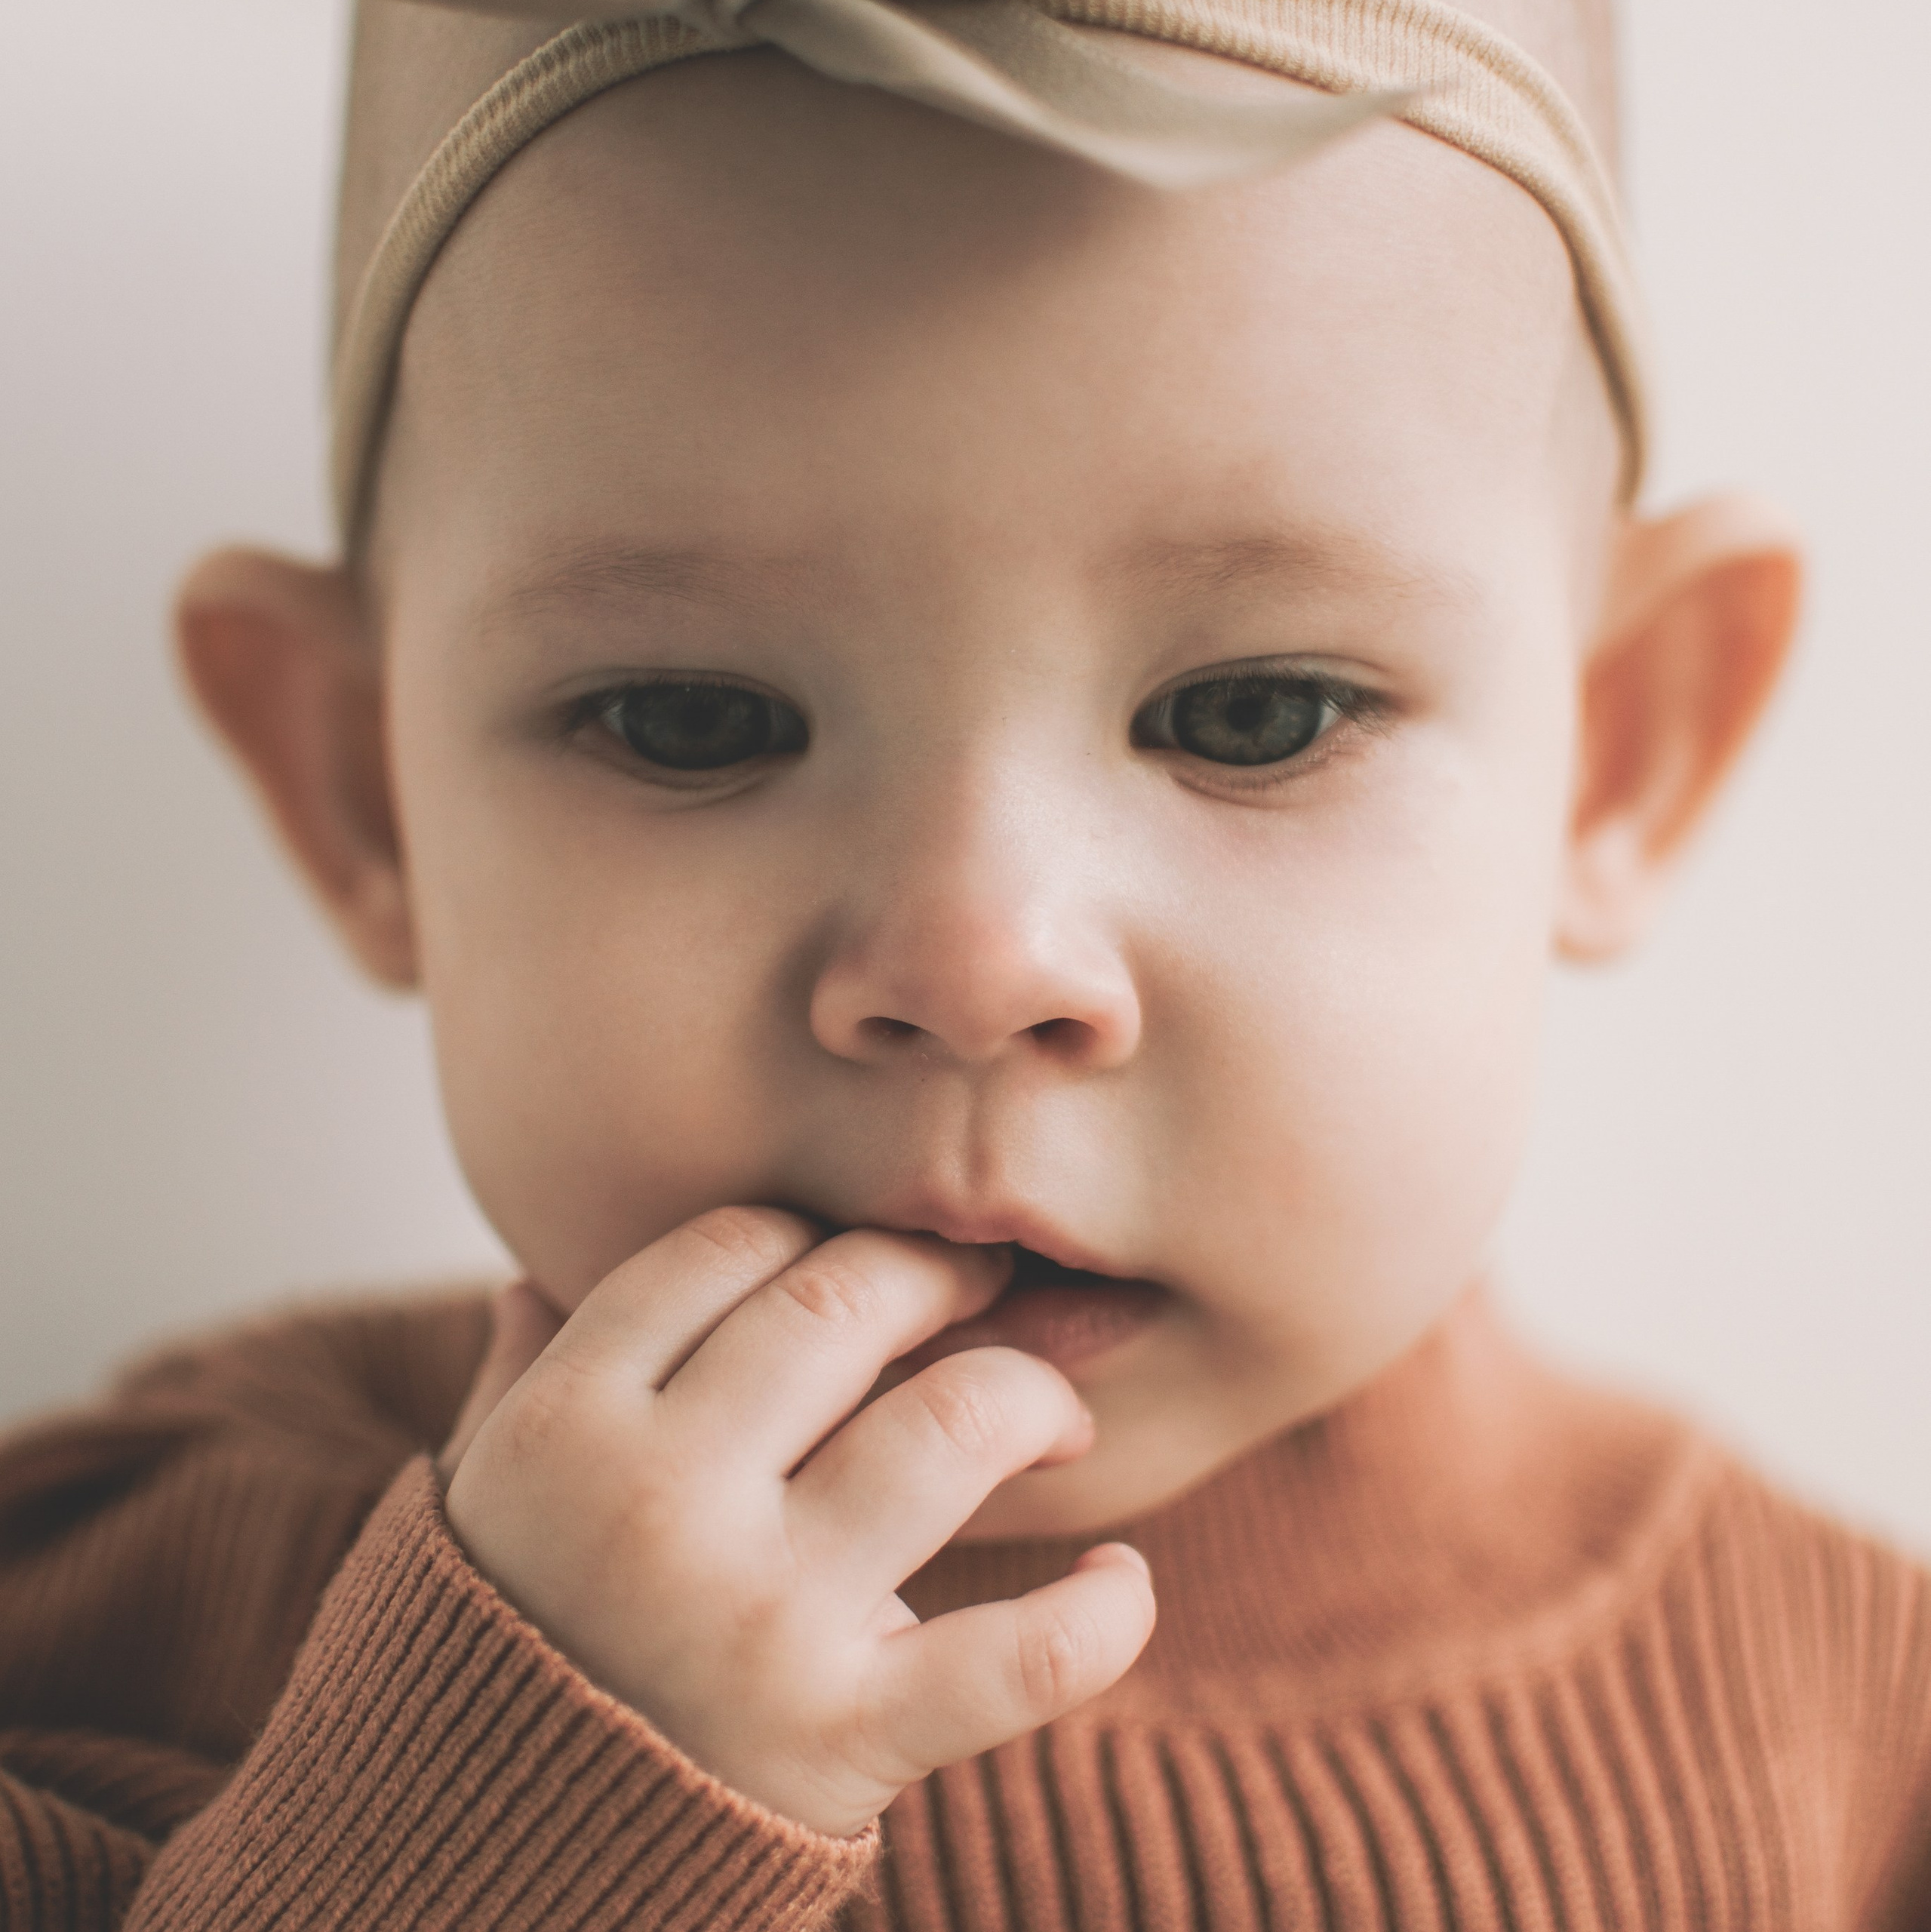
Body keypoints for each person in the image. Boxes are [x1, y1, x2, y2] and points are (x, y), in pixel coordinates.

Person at [2, 0, 1925, 1923]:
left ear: (1619, 750)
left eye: (1250, 710)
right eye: (689, 718)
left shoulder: (1858, 1729)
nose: (976, 962)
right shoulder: (109, 1605)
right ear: (367, 794)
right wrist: (499, 1822)